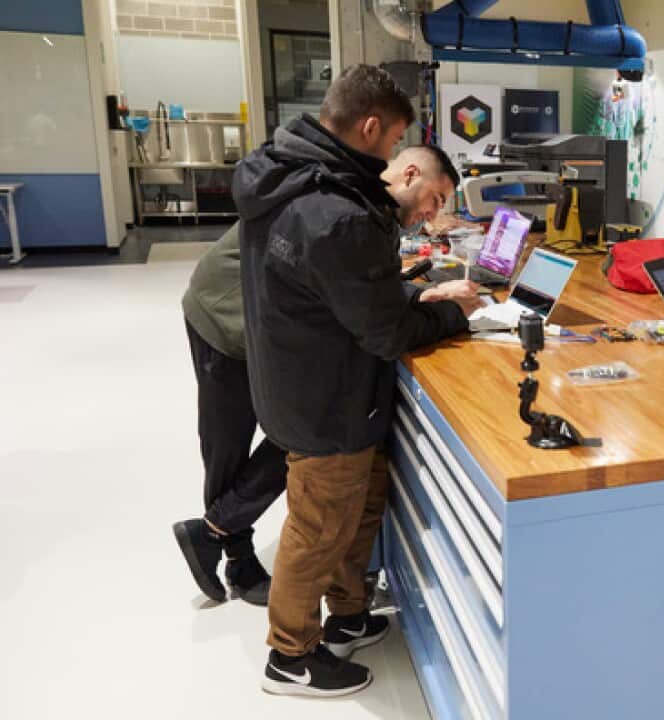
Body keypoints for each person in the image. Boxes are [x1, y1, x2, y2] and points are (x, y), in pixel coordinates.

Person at [233, 64, 485, 698]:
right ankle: (289, 656)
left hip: (312, 380)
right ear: (373, 128)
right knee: (318, 530)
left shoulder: (287, 175)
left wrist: (414, 292)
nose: (395, 153)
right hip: (325, 397)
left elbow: (337, 292)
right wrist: (455, 314)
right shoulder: (337, 212)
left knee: (353, 514)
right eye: (396, 137)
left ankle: (346, 618)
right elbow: (387, 333)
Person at [173, 145, 476, 607]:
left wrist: (419, 294)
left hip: (278, 315)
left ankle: (219, 532)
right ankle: (226, 540)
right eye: (435, 197)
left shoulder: (369, 201)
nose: (434, 213)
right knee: (236, 438)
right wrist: (441, 310)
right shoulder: (349, 202)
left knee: (300, 430)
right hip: (226, 313)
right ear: (410, 173)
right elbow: (346, 282)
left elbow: (349, 280)